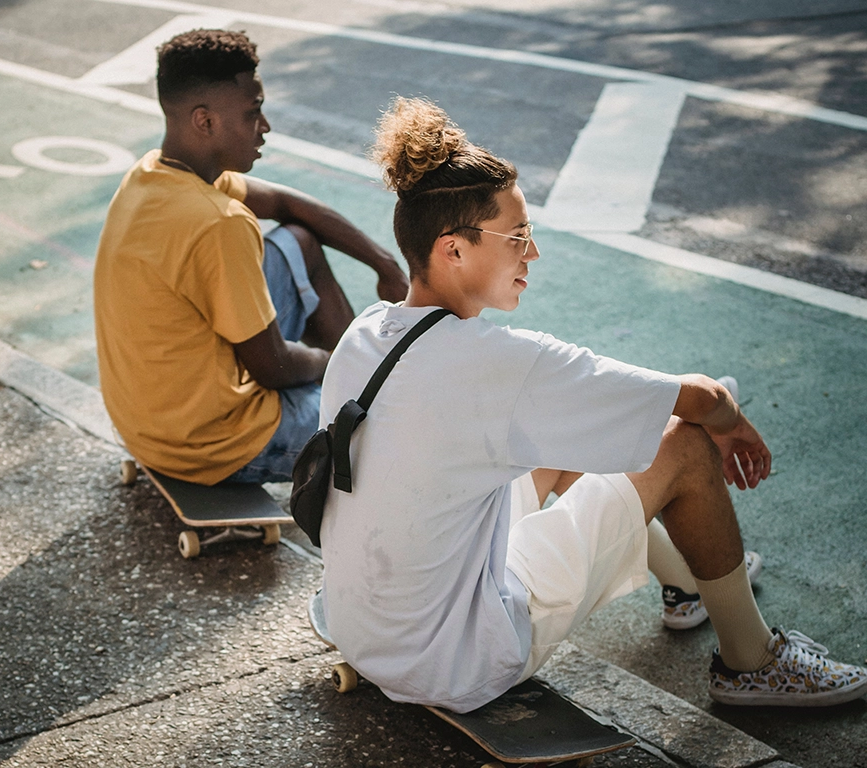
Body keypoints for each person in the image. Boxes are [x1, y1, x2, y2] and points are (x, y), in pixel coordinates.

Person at [317, 96, 867, 713]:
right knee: (683, 444)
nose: (533, 253)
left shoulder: (365, 333)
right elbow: (700, 399)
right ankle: (751, 662)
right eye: (518, 236)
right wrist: (729, 422)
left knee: (566, 435)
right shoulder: (500, 366)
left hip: (365, 627)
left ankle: (685, 584)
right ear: (454, 249)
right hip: (455, 655)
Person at [93, 30, 407, 485]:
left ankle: (362, 382)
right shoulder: (218, 222)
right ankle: (362, 388)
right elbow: (274, 368)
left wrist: (384, 264)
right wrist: (334, 361)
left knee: (299, 240)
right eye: (253, 111)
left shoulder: (152, 174)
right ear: (205, 122)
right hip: (213, 446)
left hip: (147, 425)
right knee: (389, 427)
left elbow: (287, 206)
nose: (265, 126)